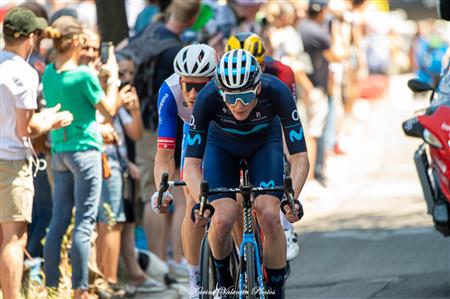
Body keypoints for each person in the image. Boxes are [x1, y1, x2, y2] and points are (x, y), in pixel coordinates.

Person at [184, 49, 309, 298]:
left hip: (265, 144)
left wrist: (290, 199)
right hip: (221, 147)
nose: (238, 105)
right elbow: (190, 165)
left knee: (270, 214)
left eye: (245, 96)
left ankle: (275, 289)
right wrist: (202, 201)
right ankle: (224, 281)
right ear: (220, 92)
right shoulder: (207, 97)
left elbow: (300, 158)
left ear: (258, 89)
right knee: (221, 218)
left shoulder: (277, 91)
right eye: (230, 98)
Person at [41, 16, 122, 299]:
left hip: (60, 152)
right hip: (85, 152)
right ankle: (80, 289)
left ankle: (51, 285)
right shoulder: (84, 75)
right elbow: (110, 109)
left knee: (59, 219)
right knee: (85, 223)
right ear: (76, 41)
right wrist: (113, 78)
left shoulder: (49, 73)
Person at [118, 0, 201, 274]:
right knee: (173, 195)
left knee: (161, 193)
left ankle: (163, 262)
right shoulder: (177, 51)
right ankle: (170, 262)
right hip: (162, 127)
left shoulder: (149, 31)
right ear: (192, 19)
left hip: (141, 119)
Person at [0, 8, 73, 299]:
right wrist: (52, 119)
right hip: (12, 161)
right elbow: (25, 129)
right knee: (15, 239)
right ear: (31, 37)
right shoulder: (23, 71)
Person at [225, 32, 301, 261]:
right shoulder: (224, 77)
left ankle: (285, 228)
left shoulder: (281, 73)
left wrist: (287, 157)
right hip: (236, 128)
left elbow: (286, 117)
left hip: (270, 121)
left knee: (279, 167)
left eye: (257, 67)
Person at [151, 44, 217, 297]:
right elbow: (165, 153)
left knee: (234, 196)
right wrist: (162, 189)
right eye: (187, 85)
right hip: (194, 132)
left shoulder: (226, 87)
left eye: (200, 86)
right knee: (192, 202)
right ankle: (195, 282)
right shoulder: (169, 91)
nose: (191, 93)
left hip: (224, 131)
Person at [299, 0, 344, 186]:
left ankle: (311, 177)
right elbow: (338, 54)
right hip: (312, 88)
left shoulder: (301, 26)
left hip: (304, 88)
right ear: (322, 11)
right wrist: (335, 30)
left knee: (308, 132)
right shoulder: (316, 31)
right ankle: (312, 177)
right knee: (313, 133)